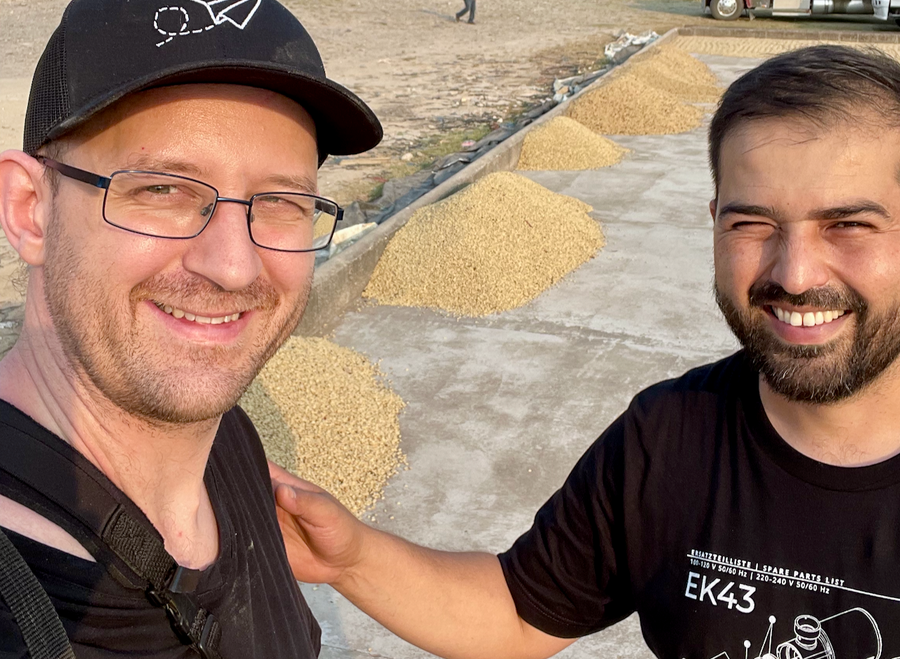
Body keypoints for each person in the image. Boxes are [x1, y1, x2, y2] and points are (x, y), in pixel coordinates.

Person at [270, 44, 900, 659]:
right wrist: (349, 557)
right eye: (751, 223)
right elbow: (520, 613)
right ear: (713, 221)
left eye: (848, 224)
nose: (793, 274)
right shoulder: (668, 439)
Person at [0, 0, 382, 655]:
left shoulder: (230, 444)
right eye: (164, 191)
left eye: (280, 203)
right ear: (30, 210)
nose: (233, 265)